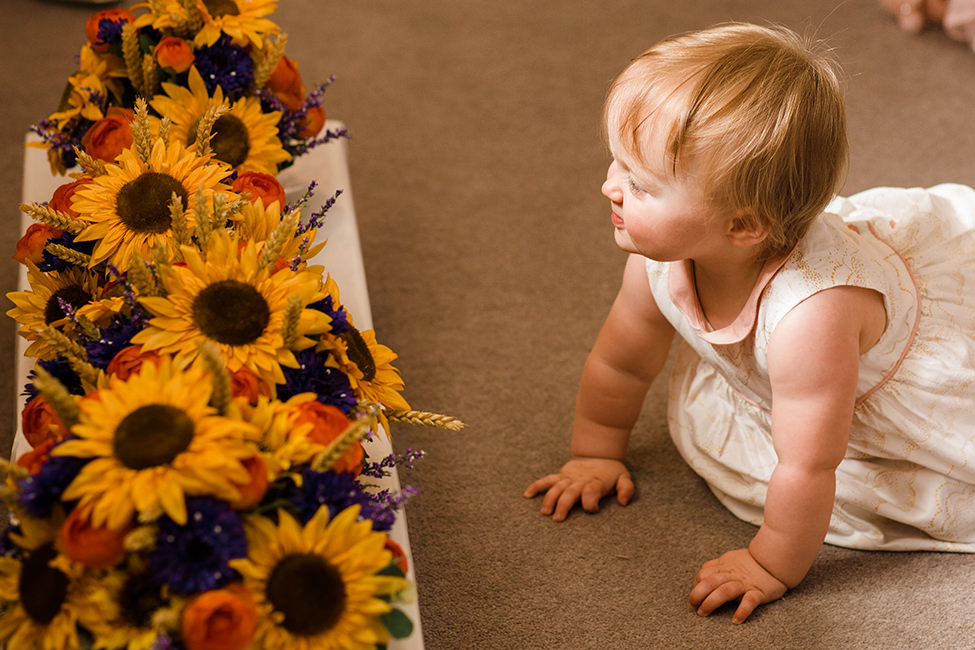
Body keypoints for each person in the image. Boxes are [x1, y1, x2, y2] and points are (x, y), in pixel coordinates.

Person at [524, 22, 975, 625]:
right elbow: (622, 361)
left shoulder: (810, 316)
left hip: (868, 376)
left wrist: (771, 563)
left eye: (640, 184)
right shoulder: (658, 262)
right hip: (791, 370)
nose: (609, 185)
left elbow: (808, 465)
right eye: (618, 163)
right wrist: (595, 453)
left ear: (742, 227)